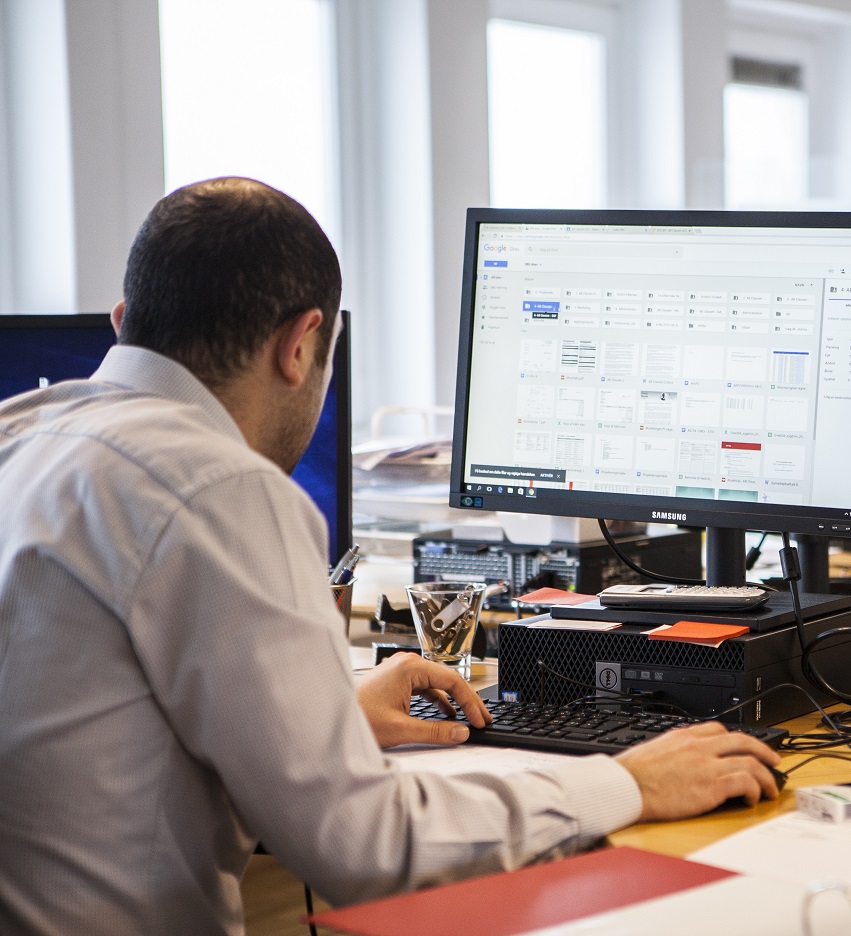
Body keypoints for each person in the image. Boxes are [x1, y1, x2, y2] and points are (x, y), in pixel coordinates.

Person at [0, 178, 780, 936]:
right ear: (301, 344)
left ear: (123, 320)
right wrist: (626, 782)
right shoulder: (218, 484)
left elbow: (97, 724)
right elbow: (364, 847)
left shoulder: (22, 434)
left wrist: (327, 720)